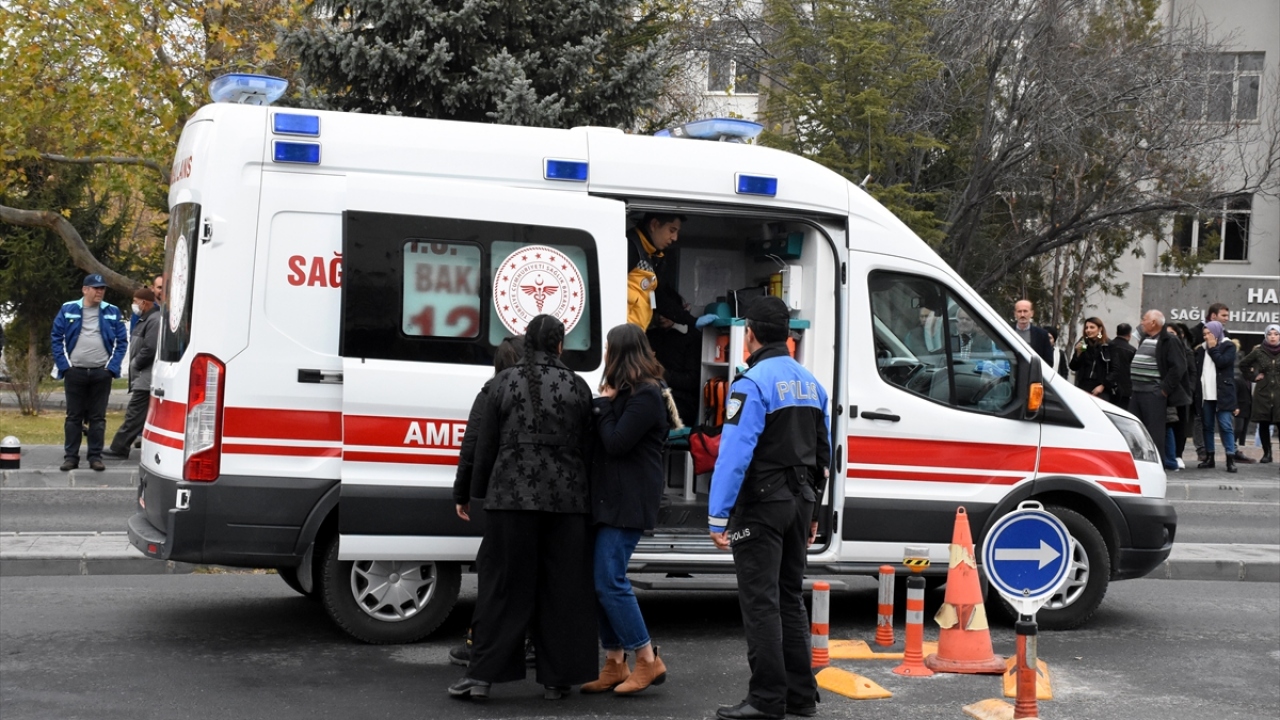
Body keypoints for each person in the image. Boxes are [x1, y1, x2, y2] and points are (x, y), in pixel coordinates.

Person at [448, 315, 598, 701]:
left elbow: (485, 446)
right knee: (562, 589)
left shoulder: (502, 383)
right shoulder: (578, 386)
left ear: (526, 343)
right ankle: (557, 680)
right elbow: (589, 451)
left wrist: (469, 493)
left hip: (510, 499)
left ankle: (482, 678)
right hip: (566, 502)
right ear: (560, 346)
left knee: (501, 588)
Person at [707, 296, 830, 720]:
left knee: (761, 602)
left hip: (761, 506)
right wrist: (815, 513)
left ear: (751, 335)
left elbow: (735, 454)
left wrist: (718, 514)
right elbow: (823, 454)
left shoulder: (751, 384)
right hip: (800, 502)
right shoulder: (812, 384)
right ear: (789, 336)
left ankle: (765, 699)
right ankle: (799, 695)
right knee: (789, 597)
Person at [581, 323, 672, 695]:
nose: (604, 354)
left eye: (607, 348)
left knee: (609, 579)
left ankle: (647, 658)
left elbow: (617, 443)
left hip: (629, 499)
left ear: (620, 352)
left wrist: (602, 404)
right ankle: (614, 662)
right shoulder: (628, 393)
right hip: (609, 498)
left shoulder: (647, 396)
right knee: (599, 580)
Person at [448, 335, 527, 668]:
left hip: (500, 497)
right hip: (540, 500)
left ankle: (478, 643)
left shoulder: (490, 393)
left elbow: (472, 448)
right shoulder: (537, 393)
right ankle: (530, 642)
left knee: (493, 572)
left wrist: (462, 493)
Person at [51, 274, 129, 472]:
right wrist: (65, 366)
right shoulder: (68, 309)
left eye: (102, 288)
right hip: (75, 372)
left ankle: (95, 456)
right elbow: (56, 337)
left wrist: (112, 367)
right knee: (73, 417)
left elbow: (122, 341)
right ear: (85, 290)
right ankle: (71, 457)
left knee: (98, 418)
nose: (100, 291)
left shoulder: (111, 311)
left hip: (100, 373)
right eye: (96, 288)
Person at [626, 213, 716, 332]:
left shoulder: (652, 256)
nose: (675, 237)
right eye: (672, 230)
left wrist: (692, 321)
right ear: (654, 225)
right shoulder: (629, 247)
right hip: (619, 337)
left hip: (633, 336)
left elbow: (657, 298)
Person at [1128, 310, 1188, 471]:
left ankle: (1156, 468)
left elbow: (1178, 367)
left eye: (1145, 319)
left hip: (1153, 394)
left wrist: (1164, 390)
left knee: (1155, 434)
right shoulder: (1145, 338)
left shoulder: (1169, 340)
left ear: (1154, 323)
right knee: (1135, 431)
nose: (1142, 322)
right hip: (1137, 392)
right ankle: (1139, 466)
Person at [105, 288, 160, 458]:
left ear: (145, 302)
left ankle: (119, 447)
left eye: (136, 301)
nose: (134, 305)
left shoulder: (154, 320)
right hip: (143, 375)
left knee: (134, 413)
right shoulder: (146, 319)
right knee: (139, 413)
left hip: (146, 375)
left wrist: (136, 364)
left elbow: (149, 348)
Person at [648, 307, 703, 427]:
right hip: (654, 394)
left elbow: (692, 380)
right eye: (658, 312)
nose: (661, 317)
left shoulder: (692, 338)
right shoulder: (651, 336)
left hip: (681, 401)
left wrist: (661, 374)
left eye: (666, 312)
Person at [1194, 321, 1237, 473]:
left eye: (1209, 333)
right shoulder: (1201, 350)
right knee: (1207, 426)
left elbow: (1222, 362)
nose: (1206, 337)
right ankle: (1210, 457)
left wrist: (1213, 348)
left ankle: (1230, 458)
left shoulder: (1228, 346)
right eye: (1204, 334)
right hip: (1206, 394)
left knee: (1225, 426)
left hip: (1223, 393)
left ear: (1217, 332)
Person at [1238, 324, 1280, 463]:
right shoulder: (1259, 351)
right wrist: (1253, 376)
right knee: (1264, 423)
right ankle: (1267, 453)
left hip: (1279, 393)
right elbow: (1243, 364)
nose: (1273, 337)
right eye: (1270, 334)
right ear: (1266, 336)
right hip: (1263, 392)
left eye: (1276, 334)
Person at [1068, 318, 1111, 400]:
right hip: (1083, 385)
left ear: (1100, 329)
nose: (1088, 330)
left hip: (1100, 388)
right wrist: (1078, 353)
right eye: (1086, 328)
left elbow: (1113, 370)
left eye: (1092, 327)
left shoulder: (1107, 345)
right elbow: (1073, 367)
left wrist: (1103, 385)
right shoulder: (1083, 343)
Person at [1011, 299, 1055, 366]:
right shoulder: (1008, 332)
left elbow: (1049, 362)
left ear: (1032, 313)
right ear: (1015, 314)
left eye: (1025, 311)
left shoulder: (1042, 335)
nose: (1022, 315)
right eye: (1019, 311)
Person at [1107, 323, 1136, 409]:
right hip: (1125, 390)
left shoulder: (1108, 345)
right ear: (1129, 334)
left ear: (1117, 332)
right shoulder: (1132, 350)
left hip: (1108, 386)